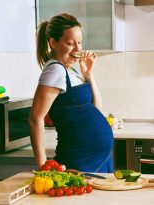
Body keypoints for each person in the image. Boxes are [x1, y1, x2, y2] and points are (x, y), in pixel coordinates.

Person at [29, 13, 114, 173]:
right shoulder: (55, 70)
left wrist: (88, 75)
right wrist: (43, 166)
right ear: (53, 43)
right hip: (80, 159)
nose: (78, 49)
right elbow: (35, 118)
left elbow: (96, 108)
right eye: (70, 43)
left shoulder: (70, 71)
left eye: (79, 42)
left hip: (98, 158)